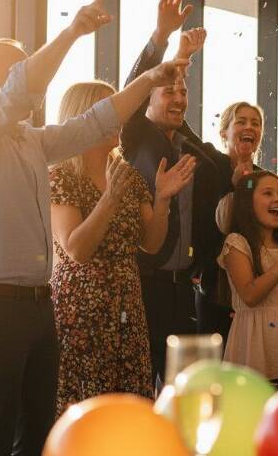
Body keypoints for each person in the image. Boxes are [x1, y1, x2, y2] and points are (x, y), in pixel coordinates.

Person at [0, 0, 189, 456]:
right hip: (1, 304)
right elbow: (22, 89)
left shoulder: (32, 140)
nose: (34, 83)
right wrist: (71, 32)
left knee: (39, 427)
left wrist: (147, 80)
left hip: (41, 306)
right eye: (15, 71)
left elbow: (95, 122)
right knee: (1, 430)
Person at [48, 81, 196, 414]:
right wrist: (109, 198)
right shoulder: (61, 175)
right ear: (84, 117)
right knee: (87, 409)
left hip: (127, 304)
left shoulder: (126, 172)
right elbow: (76, 249)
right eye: (108, 111)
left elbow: (152, 243)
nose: (119, 119)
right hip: (81, 311)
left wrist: (162, 199)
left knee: (129, 404)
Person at [121, 0, 231, 386]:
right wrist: (163, 40)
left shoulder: (190, 147)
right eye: (169, 91)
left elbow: (224, 172)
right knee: (141, 386)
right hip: (142, 284)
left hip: (185, 287)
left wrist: (182, 64)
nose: (179, 97)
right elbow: (134, 87)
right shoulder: (135, 136)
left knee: (180, 389)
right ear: (146, 100)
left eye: (184, 92)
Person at [218, 171, 278, 378]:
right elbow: (250, 295)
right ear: (247, 202)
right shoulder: (237, 243)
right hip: (254, 340)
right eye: (267, 193)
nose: (277, 200)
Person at [191, 100, 267, 339]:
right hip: (216, 285)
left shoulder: (265, 178)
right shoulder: (208, 171)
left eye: (255, 123)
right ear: (225, 132)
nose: (249, 127)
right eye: (241, 121)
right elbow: (204, 229)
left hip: (256, 285)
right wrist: (234, 188)